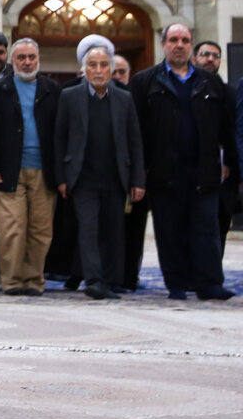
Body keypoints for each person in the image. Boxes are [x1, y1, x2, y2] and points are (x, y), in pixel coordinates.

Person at [130, 24, 237, 300]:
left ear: (191, 45)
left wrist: (228, 161)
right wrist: (139, 171)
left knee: (206, 229)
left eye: (185, 40)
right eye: (174, 40)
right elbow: (136, 131)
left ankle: (209, 284)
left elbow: (225, 127)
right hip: (163, 171)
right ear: (164, 44)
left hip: (203, 169)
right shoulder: (145, 82)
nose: (179, 45)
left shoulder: (210, 82)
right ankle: (176, 284)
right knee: (170, 230)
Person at [54, 41, 145, 299]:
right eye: (92, 65)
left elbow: (134, 141)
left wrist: (137, 179)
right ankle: (93, 280)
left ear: (111, 69)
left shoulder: (124, 99)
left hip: (116, 177)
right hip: (83, 178)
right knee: (88, 229)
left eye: (104, 65)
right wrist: (61, 177)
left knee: (113, 231)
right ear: (84, 69)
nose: (98, 70)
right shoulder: (70, 96)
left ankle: (111, 280)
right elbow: (59, 139)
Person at [0, 38, 60, 296]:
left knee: (40, 230)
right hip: (8, 171)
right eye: (21, 57)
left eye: (31, 57)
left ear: (38, 60)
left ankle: (33, 280)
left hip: (44, 172)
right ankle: (11, 281)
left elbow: (61, 133)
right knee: (11, 229)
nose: (27, 62)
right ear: (13, 61)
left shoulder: (52, 90)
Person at [191, 40, 239, 251]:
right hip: (188, 173)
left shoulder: (230, 93)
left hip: (222, 176)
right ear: (194, 59)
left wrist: (228, 161)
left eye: (215, 56)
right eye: (205, 54)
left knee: (219, 229)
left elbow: (234, 132)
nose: (210, 59)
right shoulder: (183, 90)